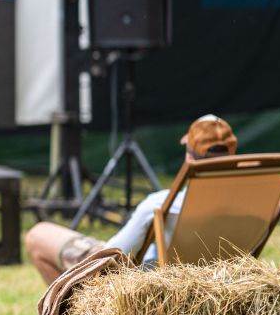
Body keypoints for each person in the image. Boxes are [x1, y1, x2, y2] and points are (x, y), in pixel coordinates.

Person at [24, 114, 239, 284]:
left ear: (189, 158)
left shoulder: (162, 203)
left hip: (130, 282)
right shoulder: (248, 205)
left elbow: (109, 258)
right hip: (204, 285)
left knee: (37, 235)